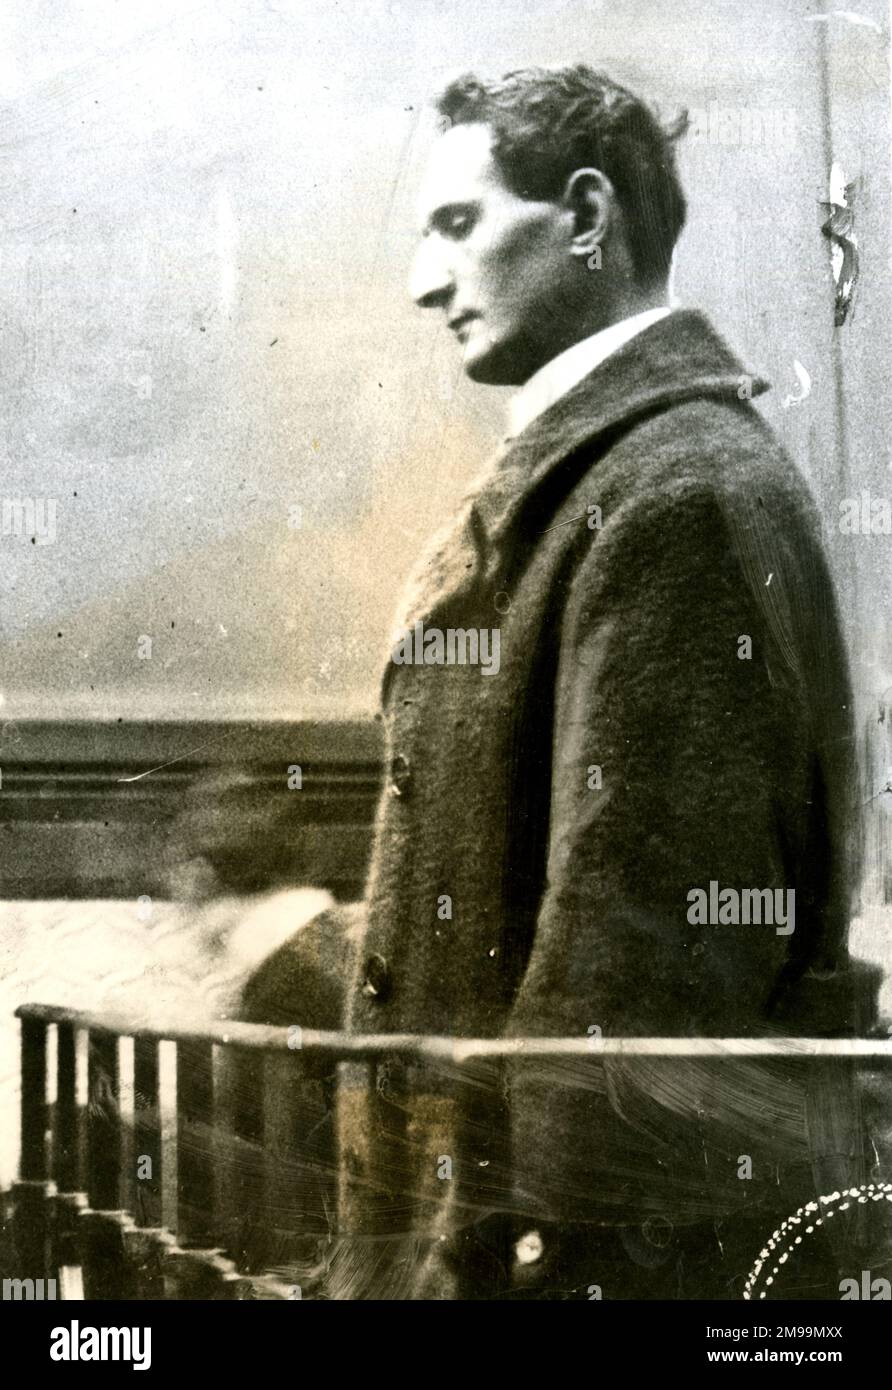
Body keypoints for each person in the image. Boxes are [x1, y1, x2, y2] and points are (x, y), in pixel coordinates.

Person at [243, 64, 882, 1299]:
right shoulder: (610, 482)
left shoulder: (675, 497)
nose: (424, 283)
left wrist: (499, 1251)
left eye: (458, 224)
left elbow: (632, 963)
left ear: (587, 217)